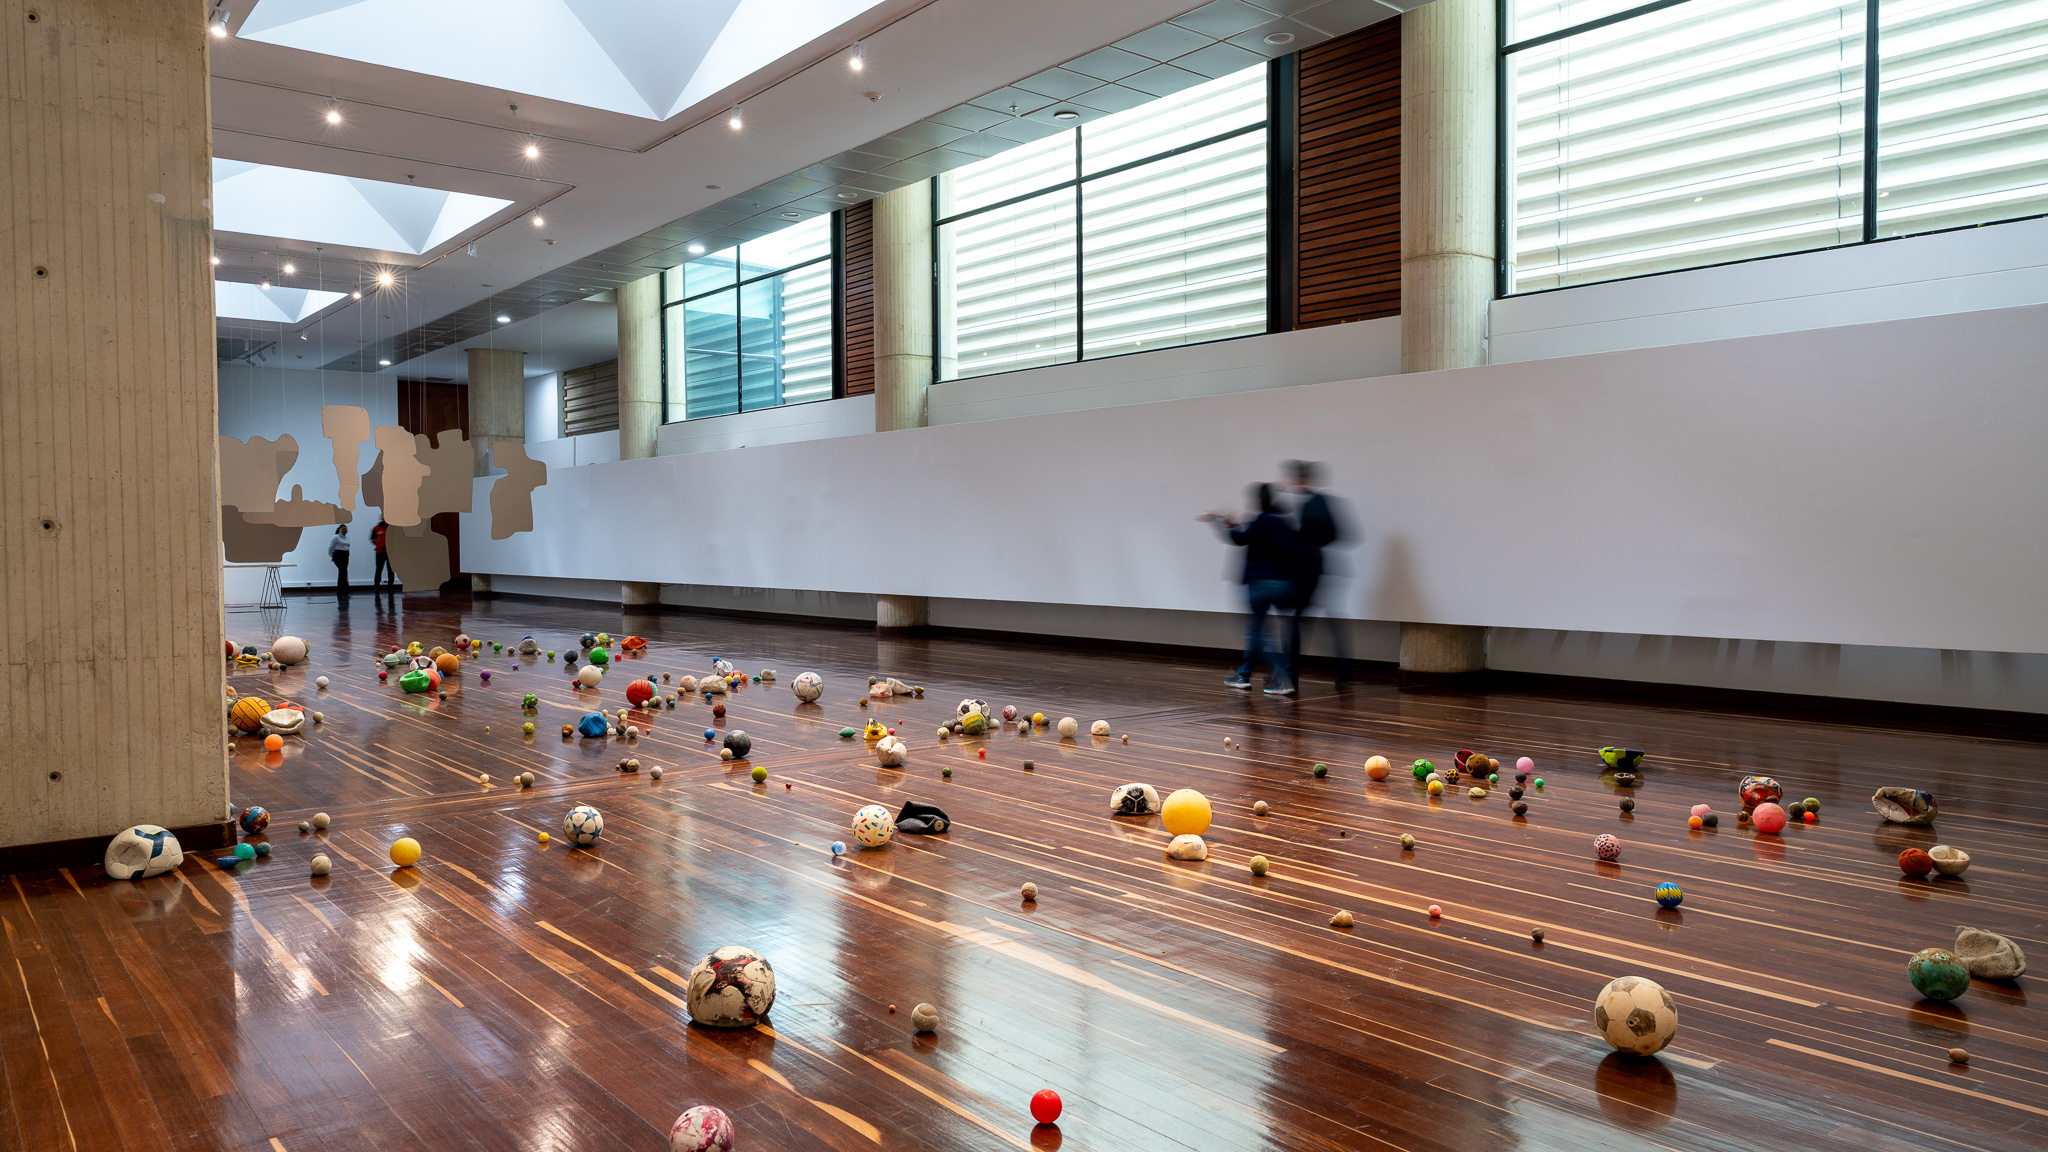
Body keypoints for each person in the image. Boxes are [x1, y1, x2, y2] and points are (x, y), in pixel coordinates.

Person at [1200, 483, 1297, 695]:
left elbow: (1239, 539)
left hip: (1261, 583)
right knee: (1258, 632)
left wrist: (1220, 523)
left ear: (1259, 501)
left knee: (1259, 633)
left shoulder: (1261, 520)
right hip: (1284, 584)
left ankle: (1281, 678)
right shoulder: (1283, 522)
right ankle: (1243, 674)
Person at [1281, 460, 1350, 688]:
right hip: (1316, 569)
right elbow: (1335, 533)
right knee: (1322, 622)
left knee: (1296, 622)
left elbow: (1321, 535)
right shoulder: (1321, 501)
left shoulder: (1311, 503)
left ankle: (1290, 674)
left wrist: (1304, 546)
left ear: (1299, 479)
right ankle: (1344, 672)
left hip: (1307, 571)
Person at [327, 524, 351, 599]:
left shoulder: (347, 538)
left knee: (344, 571)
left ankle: (342, 589)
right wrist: (331, 556)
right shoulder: (336, 537)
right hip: (338, 556)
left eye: (346, 529)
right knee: (342, 571)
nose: (345, 530)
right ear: (339, 530)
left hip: (345, 556)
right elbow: (330, 547)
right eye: (343, 529)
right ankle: (344, 589)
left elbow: (347, 547)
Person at [370, 518, 393, 590]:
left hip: (390, 553)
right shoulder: (376, 528)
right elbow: (372, 539)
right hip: (380, 552)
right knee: (379, 569)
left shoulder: (392, 529)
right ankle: (376, 586)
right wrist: (378, 544)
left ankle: (390, 587)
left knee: (391, 570)